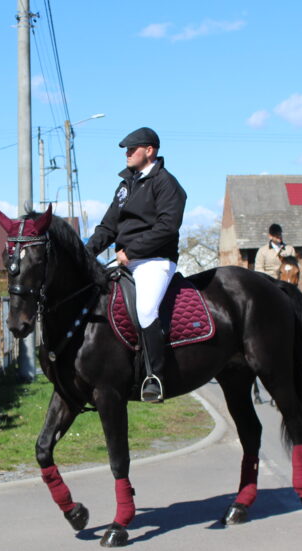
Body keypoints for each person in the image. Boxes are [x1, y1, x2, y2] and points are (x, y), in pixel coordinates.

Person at [86, 126, 187, 403]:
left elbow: (168, 227)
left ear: (150, 150)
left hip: (155, 261)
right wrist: (84, 253)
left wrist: (133, 250)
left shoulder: (167, 183)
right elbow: (108, 226)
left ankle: (155, 377)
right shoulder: (126, 185)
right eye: (126, 150)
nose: (127, 154)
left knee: (145, 310)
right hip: (126, 259)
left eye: (132, 149)